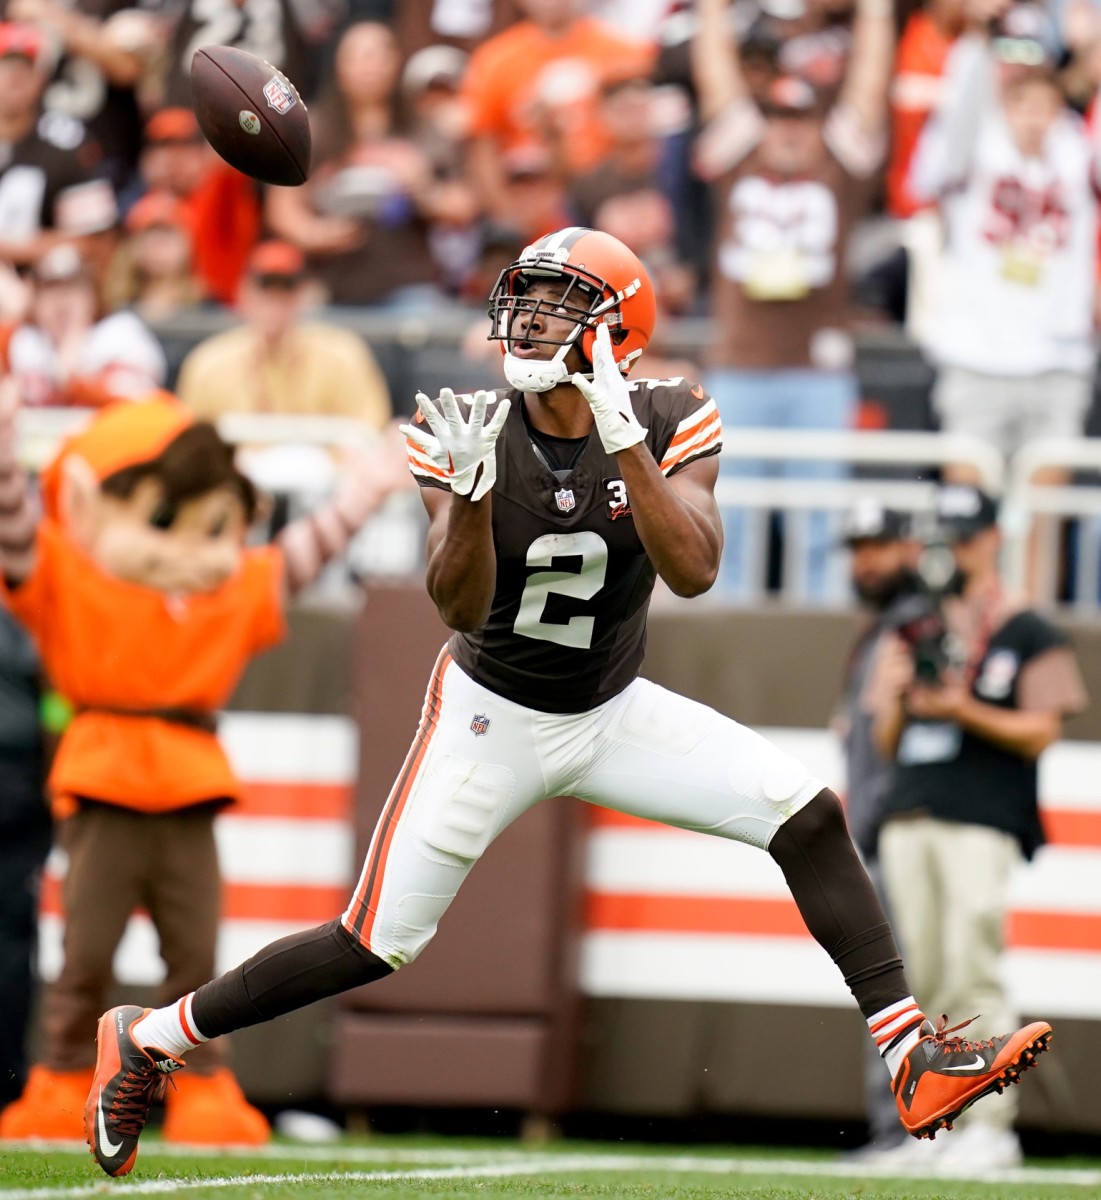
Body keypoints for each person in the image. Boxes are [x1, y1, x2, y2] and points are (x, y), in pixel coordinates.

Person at [82, 227, 1052, 1179]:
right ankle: (153, 1034)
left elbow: (698, 569)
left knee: (806, 814)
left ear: (617, 334)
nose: (531, 325)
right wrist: (464, 502)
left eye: (560, 309)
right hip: (488, 715)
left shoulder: (671, 413)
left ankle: (909, 1058)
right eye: (528, 303)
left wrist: (626, 442)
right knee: (376, 942)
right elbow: (456, 605)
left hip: (612, 709)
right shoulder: (468, 424)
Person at [0, 391, 412, 1143]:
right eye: (164, 517)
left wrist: (363, 490)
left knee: (195, 958)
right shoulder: (75, 578)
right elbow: (18, 535)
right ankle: (61, 1080)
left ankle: (204, 1089)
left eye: (214, 522)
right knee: (84, 954)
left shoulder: (225, 596)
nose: (187, 545)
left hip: (189, 783)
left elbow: (295, 558)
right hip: (102, 777)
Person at [866, 483, 1088, 1170]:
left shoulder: (1026, 627)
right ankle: (938, 1127)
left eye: (961, 538)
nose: (949, 553)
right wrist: (905, 693)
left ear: (991, 538)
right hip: (911, 808)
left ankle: (992, 1125)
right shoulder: (911, 624)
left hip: (982, 816)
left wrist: (962, 709)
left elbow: (1040, 731)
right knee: (923, 980)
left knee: (972, 968)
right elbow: (883, 737)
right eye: (942, 540)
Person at [691, 0, 893, 604]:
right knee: (731, 522)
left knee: (820, 524)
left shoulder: (840, 165)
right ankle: (726, 649)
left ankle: (821, 645)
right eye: (777, 114)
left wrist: (877, 15)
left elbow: (868, 90)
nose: (787, 128)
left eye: (801, 116)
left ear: (817, 121)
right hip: (741, 366)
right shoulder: (740, 156)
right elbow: (716, 81)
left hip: (818, 374)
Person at [833, 498, 922, 1165]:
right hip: (876, 835)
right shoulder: (878, 632)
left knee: (909, 990)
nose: (865, 561)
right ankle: (898, 1132)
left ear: (911, 549)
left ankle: (911, 1133)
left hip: (911, 834)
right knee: (892, 995)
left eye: (878, 546)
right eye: (857, 548)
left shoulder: (922, 626)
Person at [175, 240, 391, 428]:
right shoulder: (209, 362)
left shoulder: (343, 355)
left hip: (322, 472)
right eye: (265, 291)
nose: (274, 305)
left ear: (305, 297)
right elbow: (193, 441)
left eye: (285, 292)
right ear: (244, 293)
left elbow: (369, 429)